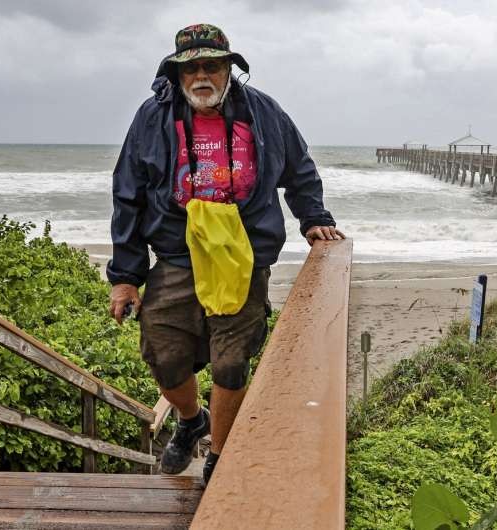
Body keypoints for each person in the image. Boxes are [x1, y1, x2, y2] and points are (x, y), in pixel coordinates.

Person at [106, 23, 345, 484]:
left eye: (211, 66)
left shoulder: (265, 112)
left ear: (229, 70)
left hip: (245, 256)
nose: (201, 76)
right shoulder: (151, 118)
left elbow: (300, 168)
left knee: (232, 359)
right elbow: (128, 194)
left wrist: (314, 217)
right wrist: (125, 275)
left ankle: (218, 452)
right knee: (163, 353)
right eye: (191, 67)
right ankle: (191, 419)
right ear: (175, 74)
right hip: (177, 255)